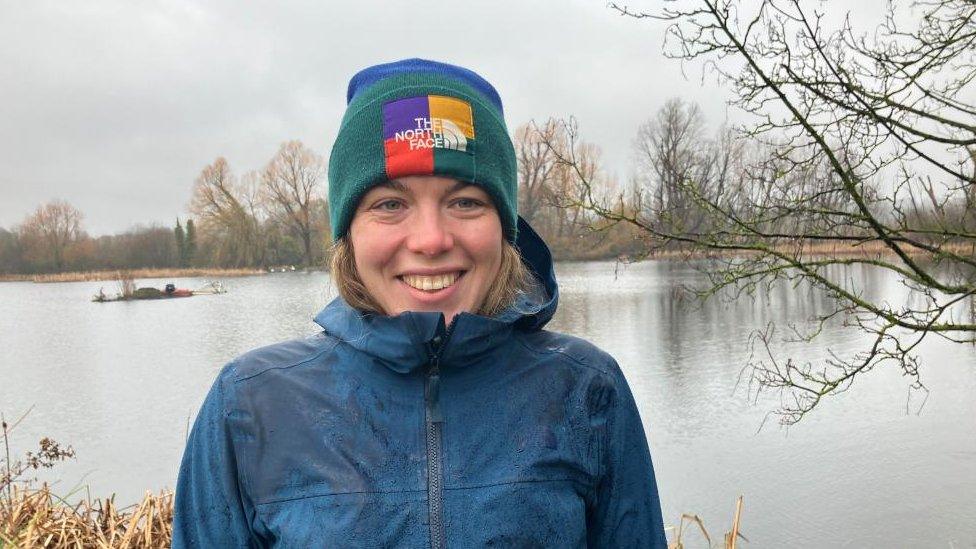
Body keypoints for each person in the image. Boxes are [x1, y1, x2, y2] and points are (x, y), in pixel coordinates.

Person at [173, 58, 667, 548]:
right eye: (390, 204)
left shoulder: (586, 390)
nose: (430, 240)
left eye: (466, 201)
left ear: (505, 230)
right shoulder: (250, 404)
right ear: (348, 233)